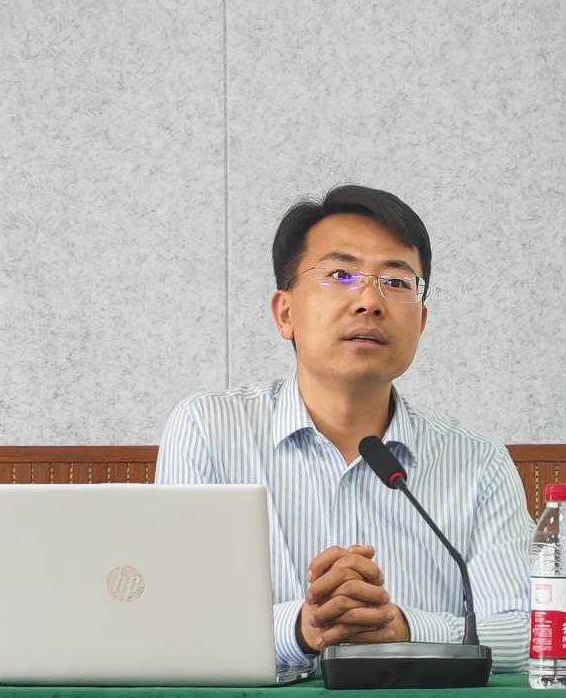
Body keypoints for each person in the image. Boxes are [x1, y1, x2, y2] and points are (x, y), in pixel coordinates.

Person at [156, 185, 533, 671]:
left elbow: (525, 632)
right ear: (285, 313)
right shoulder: (208, 430)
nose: (370, 301)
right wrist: (301, 628)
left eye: (396, 281)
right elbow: (177, 622)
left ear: (421, 322)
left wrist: (405, 630)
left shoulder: (477, 461)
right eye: (341, 275)